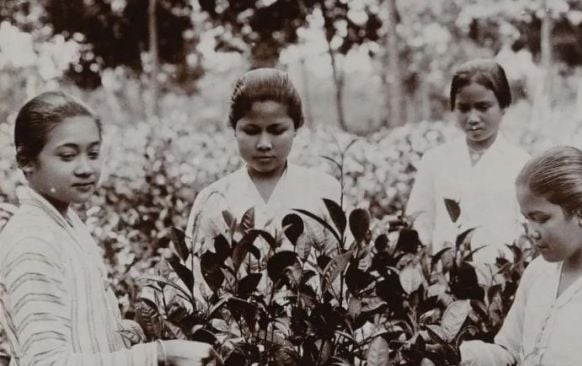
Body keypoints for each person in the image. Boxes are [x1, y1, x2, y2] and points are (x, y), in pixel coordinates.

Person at [0, 91, 218, 366]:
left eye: (93, 153)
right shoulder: (33, 241)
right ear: (25, 161)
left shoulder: (64, 223)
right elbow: (46, 362)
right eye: (67, 156)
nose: (86, 168)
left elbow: (82, 333)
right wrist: (159, 354)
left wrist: (131, 332)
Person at [460, 146, 582, 366]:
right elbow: (510, 354)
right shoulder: (538, 273)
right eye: (527, 219)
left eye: (541, 219)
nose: (531, 232)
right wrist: (458, 355)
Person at [186, 68, 341, 256]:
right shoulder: (212, 199)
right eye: (251, 131)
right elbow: (198, 277)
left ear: (296, 128)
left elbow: (342, 275)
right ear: (234, 129)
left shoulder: (325, 191)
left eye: (277, 131)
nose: (264, 144)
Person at [405, 59, 530, 281]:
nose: (473, 118)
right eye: (463, 108)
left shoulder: (522, 164)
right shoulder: (435, 160)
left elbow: (528, 232)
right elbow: (420, 222)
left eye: (483, 107)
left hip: (499, 283)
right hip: (444, 283)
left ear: (503, 107)